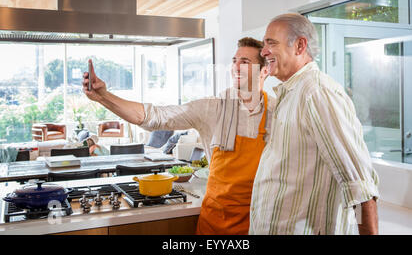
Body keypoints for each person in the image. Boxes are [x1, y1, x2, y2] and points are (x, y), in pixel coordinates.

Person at [83, 37, 275, 235]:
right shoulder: (212, 108)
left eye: (245, 62)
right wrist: (104, 97)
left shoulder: (278, 112)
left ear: (265, 70)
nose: (236, 67)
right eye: (234, 61)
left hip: (259, 224)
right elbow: (154, 117)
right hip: (215, 224)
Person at [249, 13, 380, 235]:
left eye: (271, 43)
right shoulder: (290, 93)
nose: (263, 52)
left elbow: (360, 188)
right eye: (263, 45)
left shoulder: (317, 93)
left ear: (300, 45)